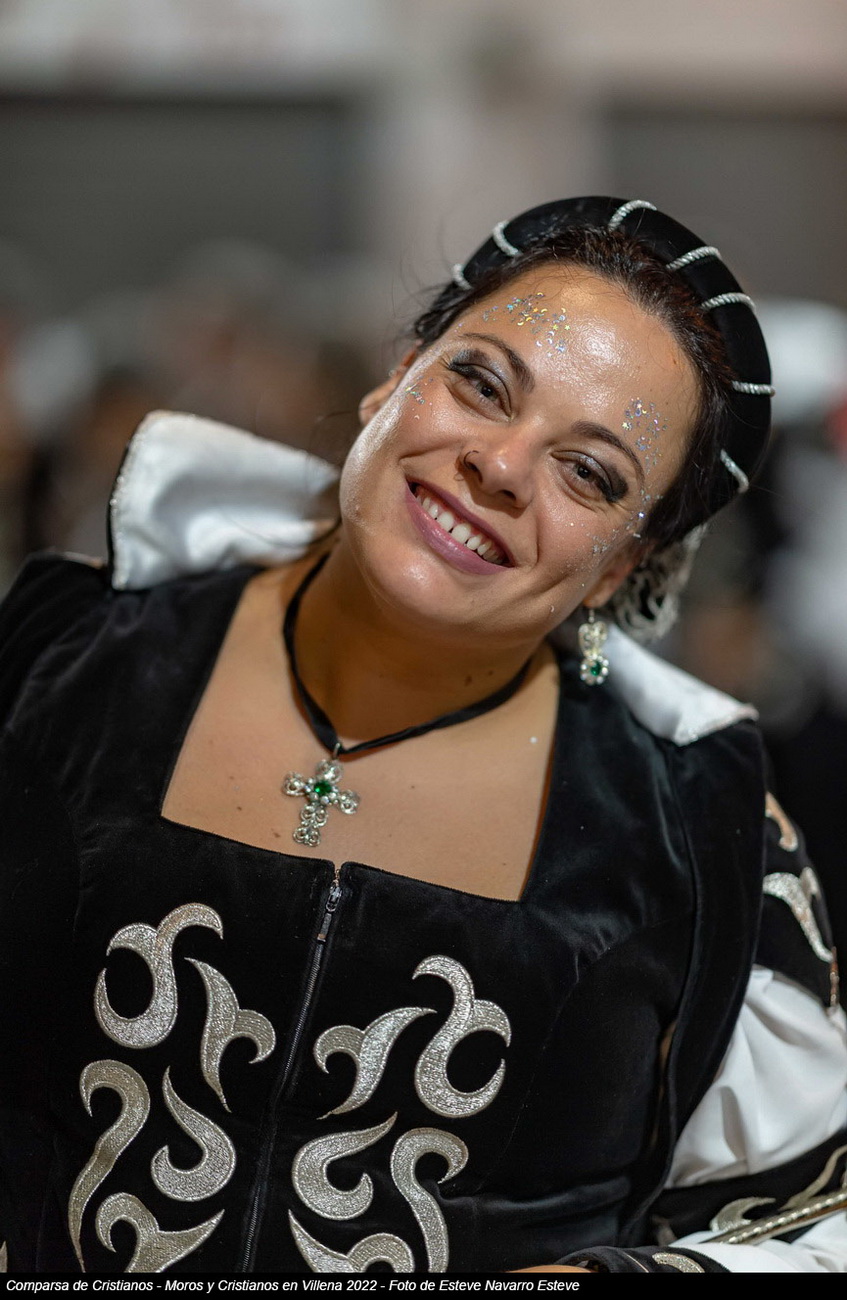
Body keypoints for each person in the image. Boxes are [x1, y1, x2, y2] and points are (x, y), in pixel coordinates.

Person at [0, 197, 845, 1276]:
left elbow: (808, 1222)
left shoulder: (696, 836)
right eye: (481, 384)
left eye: (588, 472)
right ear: (394, 379)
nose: (501, 466)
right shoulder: (61, 663)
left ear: (623, 567)